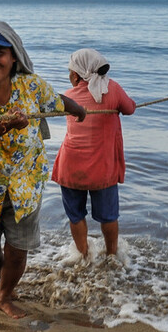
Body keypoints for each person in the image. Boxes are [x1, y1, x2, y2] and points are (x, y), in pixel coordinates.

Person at [0, 22, 86, 319]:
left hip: (26, 183)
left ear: (13, 57)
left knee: (17, 248)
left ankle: (5, 294)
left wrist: (78, 109)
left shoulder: (31, 85)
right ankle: (7, 277)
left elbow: (55, 101)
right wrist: (5, 124)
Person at [51, 48, 136, 259]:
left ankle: (82, 255)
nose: (69, 75)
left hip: (71, 167)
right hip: (102, 168)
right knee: (108, 216)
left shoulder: (68, 97)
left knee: (76, 215)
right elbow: (130, 108)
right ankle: (112, 256)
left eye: (71, 71)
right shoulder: (112, 90)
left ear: (78, 74)